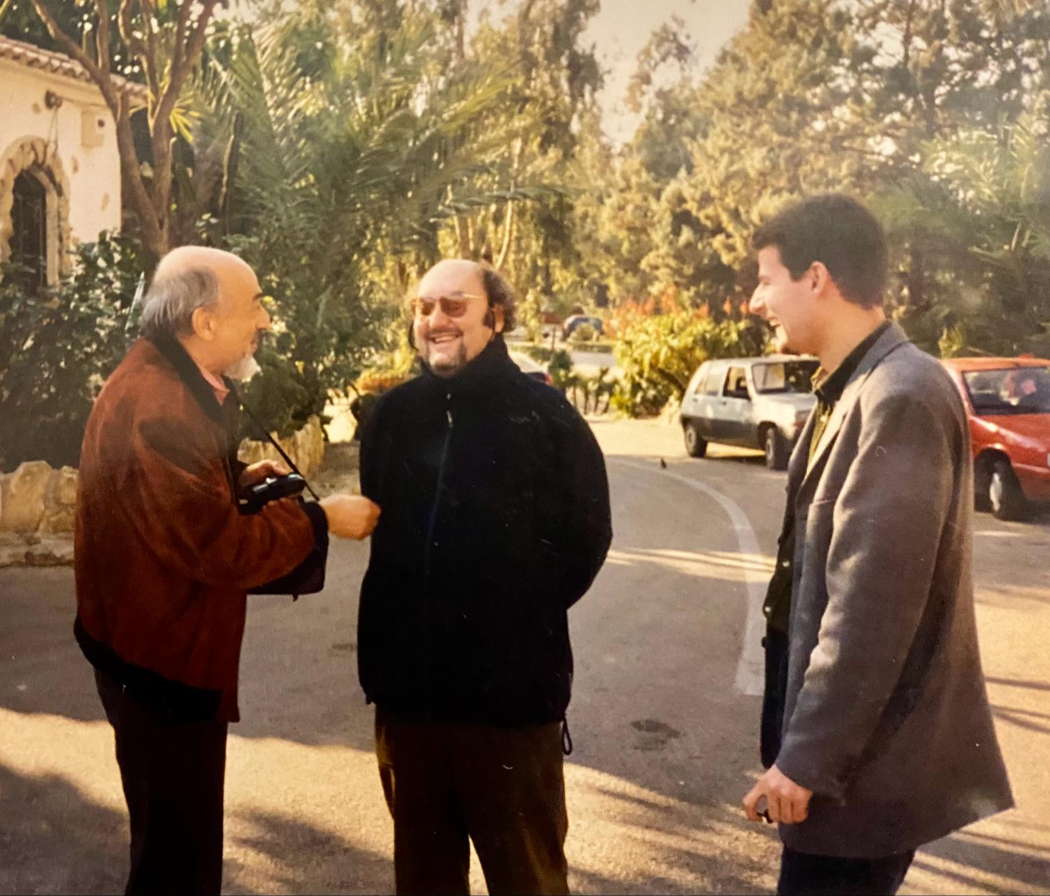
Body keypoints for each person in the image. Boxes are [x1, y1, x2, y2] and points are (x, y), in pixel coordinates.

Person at [74, 246, 380, 895]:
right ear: (206, 321)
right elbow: (216, 545)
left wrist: (236, 481)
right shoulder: (163, 402)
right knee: (176, 865)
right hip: (161, 666)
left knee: (169, 845)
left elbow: (170, 502)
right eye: (256, 305)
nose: (265, 320)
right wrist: (323, 521)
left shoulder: (166, 377)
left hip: (145, 652)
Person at [741, 195, 1012, 895]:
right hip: (847, 764)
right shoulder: (859, 385)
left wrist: (805, 760)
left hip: (858, 775)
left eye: (767, 279)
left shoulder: (899, 392)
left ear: (817, 278)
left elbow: (871, 608)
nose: (755, 299)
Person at [357, 259, 611, 895]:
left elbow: (586, 541)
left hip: (511, 710)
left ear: (494, 318)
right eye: (424, 308)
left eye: (454, 306)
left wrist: (511, 622)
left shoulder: (547, 418)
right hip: (409, 709)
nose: (435, 321)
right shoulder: (390, 417)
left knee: (528, 882)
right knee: (423, 882)